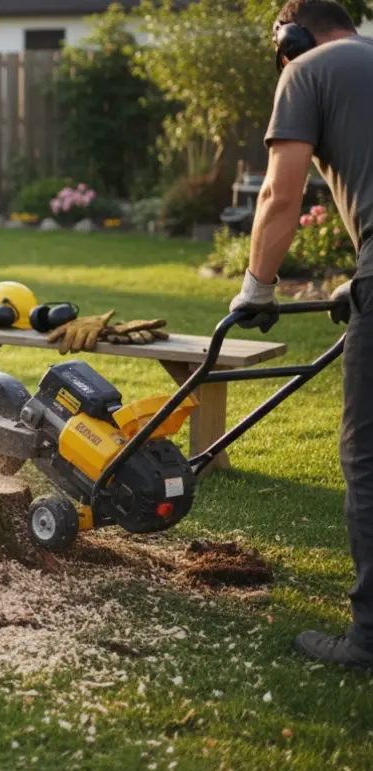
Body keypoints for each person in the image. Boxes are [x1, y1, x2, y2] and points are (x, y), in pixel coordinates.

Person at [229, 0, 373, 668]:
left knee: (367, 459)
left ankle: (369, 639)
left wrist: (258, 286)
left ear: (292, 34)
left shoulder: (307, 69)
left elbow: (280, 196)